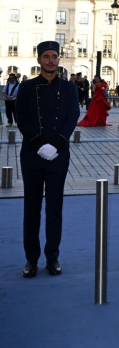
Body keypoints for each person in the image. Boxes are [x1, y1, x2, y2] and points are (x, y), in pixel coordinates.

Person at [16, 41, 80, 278]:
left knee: (55, 208)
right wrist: (38, 144)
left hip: (58, 154)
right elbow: (22, 119)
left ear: (59, 59)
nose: (51, 60)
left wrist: (57, 144)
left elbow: (72, 116)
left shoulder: (69, 88)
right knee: (31, 207)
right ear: (39, 60)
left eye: (54, 56)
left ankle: (52, 257)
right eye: (46, 56)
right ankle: (31, 259)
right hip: (32, 155)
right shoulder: (26, 87)